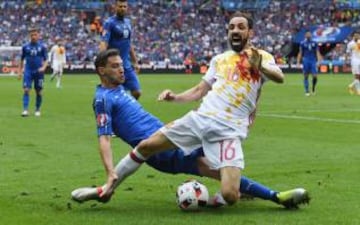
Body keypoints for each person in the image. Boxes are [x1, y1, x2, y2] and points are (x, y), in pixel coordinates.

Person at [83, 13, 308, 208]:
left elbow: (279, 77)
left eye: (240, 27)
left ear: (250, 31)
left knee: (230, 195)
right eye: (231, 27)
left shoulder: (262, 56)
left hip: (230, 130)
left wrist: (259, 65)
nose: (235, 30)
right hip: (201, 119)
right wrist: (175, 97)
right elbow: (200, 90)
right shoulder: (220, 60)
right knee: (146, 146)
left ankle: (212, 200)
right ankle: (109, 187)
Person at [99, 0, 141, 99]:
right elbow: (103, 43)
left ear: (127, 8)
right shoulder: (109, 23)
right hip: (114, 65)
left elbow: (129, 43)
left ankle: (127, 109)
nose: (122, 8)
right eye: (120, 6)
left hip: (126, 64)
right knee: (117, 95)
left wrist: (135, 62)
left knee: (137, 92)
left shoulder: (128, 22)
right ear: (115, 7)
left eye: (124, 6)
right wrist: (102, 62)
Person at [18, 27, 48, 117]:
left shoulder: (42, 47)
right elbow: (21, 60)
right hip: (28, 71)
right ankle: (25, 110)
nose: (33, 36)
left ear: (38, 35)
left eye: (35, 35)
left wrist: (43, 67)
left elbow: (46, 60)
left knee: (39, 91)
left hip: (39, 72)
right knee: (26, 90)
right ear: (29, 36)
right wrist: (19, 72)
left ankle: (37, 109)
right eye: (32, 35)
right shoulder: (25, 47)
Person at [297, 31, 323, 96]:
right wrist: (298, 62)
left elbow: (317, 52)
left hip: (313, 60)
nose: (308, 35)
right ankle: (307, 91)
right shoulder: (302, 43)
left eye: (309, 34)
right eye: (307, 34)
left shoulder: (314, 43)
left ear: (311, 35)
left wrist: (319, 61)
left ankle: (313, 88)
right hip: (305, 60)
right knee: (306, 75)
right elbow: (300, 53)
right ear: (305, 35)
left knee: (315, 76)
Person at [345, 31, 360, 95]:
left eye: (358, 35)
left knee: (358, 76)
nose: (357, 36)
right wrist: (346, 60)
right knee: (357, 75)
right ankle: (358, 90)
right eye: (355, 35)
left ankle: (351, 86)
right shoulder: (350, 44)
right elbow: (347, 52)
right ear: (353, 36)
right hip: (355, 60)